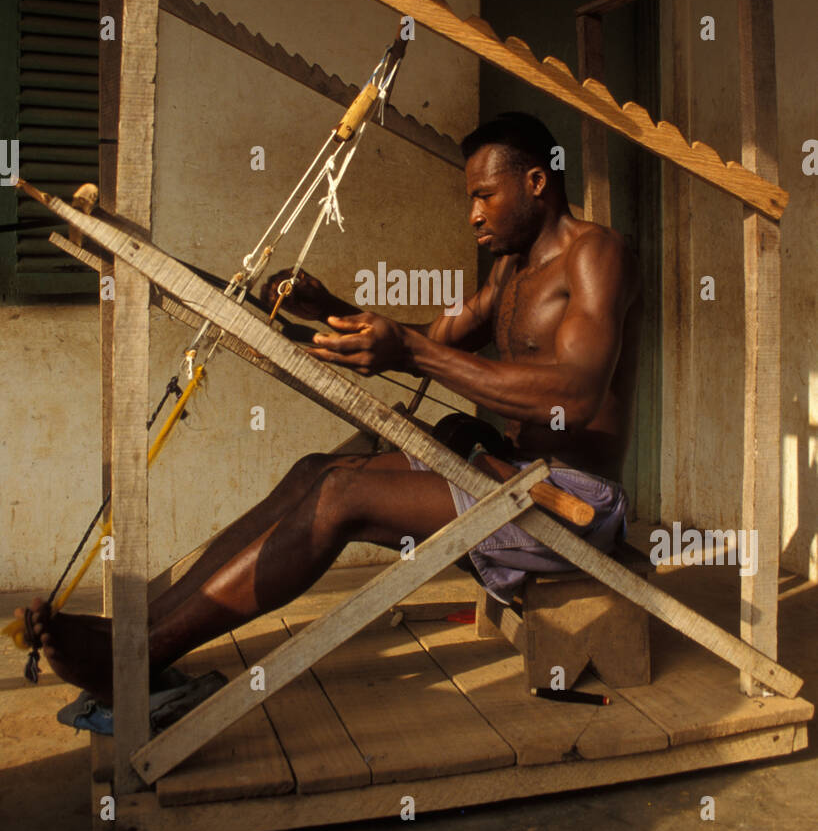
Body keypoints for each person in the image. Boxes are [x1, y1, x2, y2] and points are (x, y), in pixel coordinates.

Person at [18, 111, 642, 705]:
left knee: (341, 496)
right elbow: (436, 338)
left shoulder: (596, 254)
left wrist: (415, 352)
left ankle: (141, 658)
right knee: (317, 470)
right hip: (514, 478)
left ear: (537, 182)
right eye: (471, 197)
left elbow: (576, 396)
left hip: (575, 503)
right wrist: (326, 308)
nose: (473, 214)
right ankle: (128, 635)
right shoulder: (511, 269)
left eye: (485, 195)